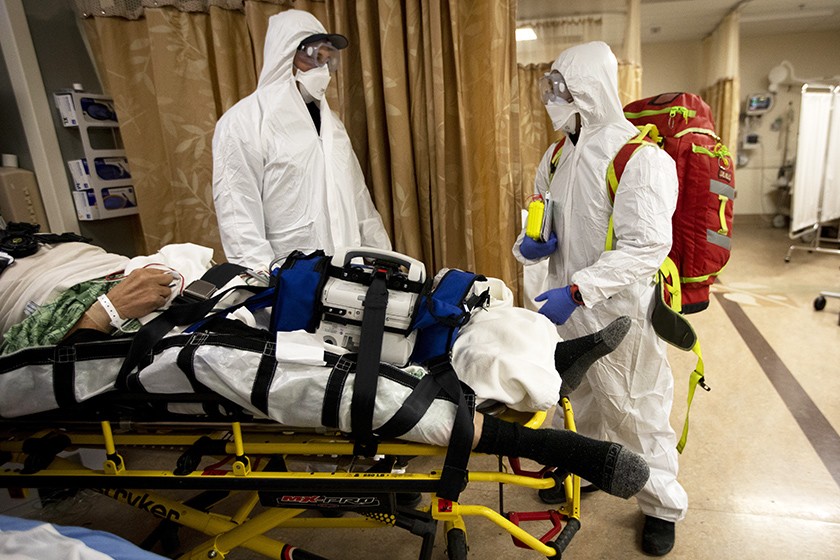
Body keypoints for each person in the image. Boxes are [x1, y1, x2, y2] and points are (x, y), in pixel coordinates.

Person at [513, 41, 686, 556]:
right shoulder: (559, 151)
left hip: (619, 312)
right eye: (550, 85)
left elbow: (647, 247)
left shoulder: (640, 158)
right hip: (563, 307)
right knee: (576, 398)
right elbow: (540, 215)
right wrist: (528, 246)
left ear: (588, 88)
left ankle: (661, 506)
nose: (551, 96)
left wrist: (578, 289)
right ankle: (585, 469)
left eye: (560, 86)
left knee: (635, 409)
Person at [212, 9, 391, 271]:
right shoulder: (244, 122)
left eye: (329, 60)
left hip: (346, 279)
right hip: (290, 282)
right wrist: (268, 287)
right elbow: (239, 218)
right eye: (316, 58)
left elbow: (360, 203)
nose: (324, 69)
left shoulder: (333, 126)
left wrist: (385, 261)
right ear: (286, 55)